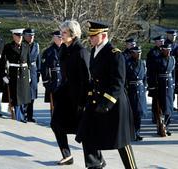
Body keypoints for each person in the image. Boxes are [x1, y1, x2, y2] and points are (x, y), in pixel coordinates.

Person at [76, 21, 137, 169]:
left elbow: (118, 84)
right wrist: (88, 100)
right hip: (97, 100)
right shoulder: (94, 52)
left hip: (114, 103)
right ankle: (95, 165)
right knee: (86, 132)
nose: (90, 38)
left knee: (121, 141)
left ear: (103, 35)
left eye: (93, 35)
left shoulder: (115, 54)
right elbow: (94, 81)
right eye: (90, 35)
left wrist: (106, 104)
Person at [51, 20, 89, 165]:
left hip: (79, 98)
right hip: (66, 94)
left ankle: (96, 160)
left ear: (73, 35)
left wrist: (84, 101)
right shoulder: (63, 49)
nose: (61, 34)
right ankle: (67, 155)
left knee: (84, 131)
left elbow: (87, 79)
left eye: (64, 32)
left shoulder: (81, 51)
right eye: (61, 31)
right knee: (56, 123)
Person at [1, 28, 31, 123]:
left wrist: (29, 75)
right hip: (14, 74)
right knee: (16, 98)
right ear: (13, 36)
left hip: (24, 74)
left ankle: (22, 115)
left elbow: (28, 62)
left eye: (21, 36)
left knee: (24, 97)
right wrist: (4, 75)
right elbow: (2, 62)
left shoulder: (26, 46)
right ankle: (18, 117)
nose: (20, 38)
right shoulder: (8, 47)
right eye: (18, 36)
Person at [126, 46, 147, 141]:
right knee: (132, 113)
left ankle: (137, 132)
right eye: (136, 53)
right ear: (132, 53)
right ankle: (131, 133)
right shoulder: (127, 63)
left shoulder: (142, 63)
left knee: (139, 113)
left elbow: (145, 77)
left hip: (140, 89)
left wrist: (145, 86)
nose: (138, 54)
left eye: (140, 52)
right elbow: (125, 78)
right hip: (131, 89)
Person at [153, 44, 175, 136]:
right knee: (160, 108)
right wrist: (153, 87)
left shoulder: (172, 59)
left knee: (169, 107)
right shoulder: (157, 60)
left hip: (169, 85)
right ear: (162, 50)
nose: (168, 52)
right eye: (166, 50)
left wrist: (174, 84)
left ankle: (167, 127)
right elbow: (153, 74)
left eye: (169, 50)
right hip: (160, 85)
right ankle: (160, 127)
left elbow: (174, 74)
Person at [41, 31, 63, 111]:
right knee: (54, 105)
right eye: (59, 37)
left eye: (61, 37)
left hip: (63, 81)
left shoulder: (66, 50)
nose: (61, 39)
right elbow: (44, 68)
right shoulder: (48, 52)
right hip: (53, 81)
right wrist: (46, 81)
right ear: (54, 38)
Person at [23, 28, 41, 122]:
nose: (31, 37)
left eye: (32, 36)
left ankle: (30, 116)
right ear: (24, 36)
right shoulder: (22, 45)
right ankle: (23, 114)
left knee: (32, 95)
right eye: (29, 35)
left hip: (33, 71)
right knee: (24, 94)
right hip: (24, 70)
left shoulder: (36, 46)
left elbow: (38, 60)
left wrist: (38, 74)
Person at [146, 35, 165, 124]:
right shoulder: (152, 53)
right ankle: (155, 115)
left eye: (163, 41)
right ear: (156, 42)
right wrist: (151, 83)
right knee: (156, 99)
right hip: (155, 79)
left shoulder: (165, 50)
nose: (162, 42)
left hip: (163, 80)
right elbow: (150, 68)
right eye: (160, 41)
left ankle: (163, 116)